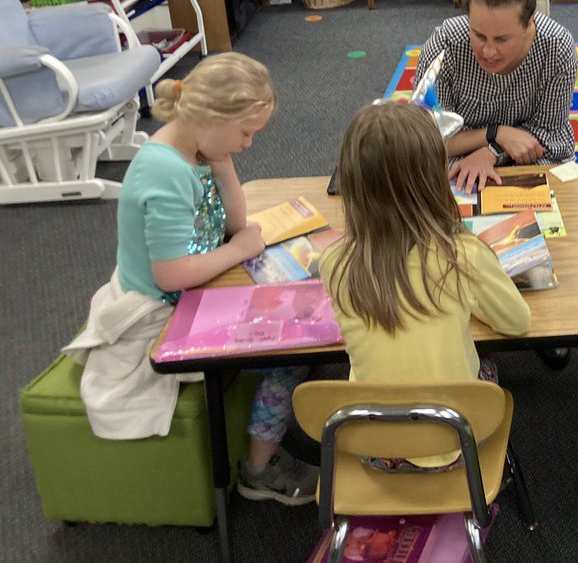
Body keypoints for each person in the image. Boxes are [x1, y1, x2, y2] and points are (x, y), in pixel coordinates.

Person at [64, 53, 317, 505]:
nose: (248, 144)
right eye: (245, 133)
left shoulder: (199, 148)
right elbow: (171, 273)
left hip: (191, 290)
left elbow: (235, 223)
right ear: (211, 118)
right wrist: (237, 251)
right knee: (289, 356)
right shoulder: (165, 171)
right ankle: (258, 471)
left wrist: (224, 165)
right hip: (161, 314)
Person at [320, 102, 530, 468]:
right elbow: (516, 322)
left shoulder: (333, 263)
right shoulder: (462, 254)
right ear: (434, 179)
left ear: (351, 184)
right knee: (486, 361)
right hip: (459, 443)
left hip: (374, 446)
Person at [413, 0, 578, 192]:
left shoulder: (557, 46)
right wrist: (494, 134)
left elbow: (549, 132)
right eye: (478, 35)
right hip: (459, 157)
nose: (488, 51)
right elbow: (427, 136)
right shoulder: (445, 45)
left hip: (529, 155)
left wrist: (491, 153)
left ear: (529, 24)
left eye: (502, 39)